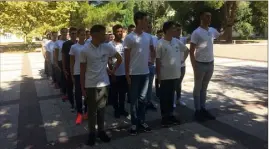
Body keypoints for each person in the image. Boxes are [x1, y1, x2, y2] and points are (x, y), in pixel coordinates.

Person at [80, 25, 122, 146]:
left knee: (102, 110)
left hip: (104, 84)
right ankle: (92, 134)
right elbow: (82, 71)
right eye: (103, 33)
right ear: (94, 34)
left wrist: (112, 70)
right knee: (92, 111)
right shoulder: (85, 50)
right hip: (91, 85)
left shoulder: (107, 47)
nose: (106, 36)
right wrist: (82, 87)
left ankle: (101, 132)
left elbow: (119, 58)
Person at [124, 11, 155, 135]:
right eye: (145, 20)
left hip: (145, 73)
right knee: (134, 100)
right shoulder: (129, 37)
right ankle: (134, 124)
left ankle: (142, 121)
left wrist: (151, 61)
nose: (147, 23)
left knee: (143, 99)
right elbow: (126, 57)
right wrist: (127, 74)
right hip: (133, 73)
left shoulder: (149, 37)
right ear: (138, 20)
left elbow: (153, 51)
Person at [190, 10, 222, 121]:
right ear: (201, 17)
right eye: (207, 16)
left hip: (210, 63)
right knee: (198, 88)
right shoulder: (196, 32)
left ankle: (203, 108)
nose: (209, 18)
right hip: (200, 64)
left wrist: (229, 25)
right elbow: (191, 50)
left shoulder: (212, 30)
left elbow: (221, 36)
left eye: (210, 16)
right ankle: (197, 111)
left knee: (204, 88)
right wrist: (194, 65)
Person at [156, 21, 189, 127]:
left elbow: (186, 50)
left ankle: (170, 116)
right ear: (167, 30)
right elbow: (157, 61)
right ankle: (164, 118)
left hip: (176, 74)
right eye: (173, 28)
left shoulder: (176, 41)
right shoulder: (160, 43)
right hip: (165, 76)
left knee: (171, 97)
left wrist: (181, 61)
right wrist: (159, 75)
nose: (176, 30)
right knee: (164, 98)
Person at [109, 24, 129, 118]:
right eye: (118, 31)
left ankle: (122, 109)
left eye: (121, 31)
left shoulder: (125, 43)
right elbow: (108, 60)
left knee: (122, 93)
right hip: (114, 73)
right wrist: (111, 72)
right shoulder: (110, 45)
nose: (120, 33)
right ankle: (116, 110)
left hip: (124, 73)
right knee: (114, 93)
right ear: (114, 33)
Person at [69, 28, 87, 124]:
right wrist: (72, 74)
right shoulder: (74, 47)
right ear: (78, 36)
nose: (83, 37)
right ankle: (79, 113)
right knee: (78, 94)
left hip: (87, 73)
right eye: (81, 35)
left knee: (87, 92)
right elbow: (71, 62)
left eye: (84, 35)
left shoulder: (89, 46)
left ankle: (87, 111)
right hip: (77, 73)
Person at [173, 23, 190, 106]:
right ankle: (172, 100)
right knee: (174, 83)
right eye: (177, 30)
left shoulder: (182, 39)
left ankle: (178, 99)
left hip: (182, 66)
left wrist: (183, 60)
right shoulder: (171, 40)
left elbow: (187, 50)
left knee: (179, 83)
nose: (179, 32)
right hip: (173, 66)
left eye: (180, 30)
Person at [62, 27, 77, 112]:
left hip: (78, 69)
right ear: (70, 34)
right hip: (68, 68)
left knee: (78, 88)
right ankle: (72, 104)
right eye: (72, 33)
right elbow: (63, 57)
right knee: (70, 87)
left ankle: (80, 104)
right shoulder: (66, 44)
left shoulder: (80, 43)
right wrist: (64, 69)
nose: (74, 35)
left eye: (75, 33)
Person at [145, 21, 157, 111]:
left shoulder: (154, 38)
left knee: (149, 86)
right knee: (143, 86)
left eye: (150, 27)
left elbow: (154, 50)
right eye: (148, 27)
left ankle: (148, 102)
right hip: (143, 66)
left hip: (151, 65)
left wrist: (152, 61)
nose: (150, 28)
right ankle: (143, 103)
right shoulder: (142, 37)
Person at [54, 28, 68, 101]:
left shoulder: (69, 42)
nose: (65, 33)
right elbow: (55, 54)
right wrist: (56, 63)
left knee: (68, 78)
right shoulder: (57, 42)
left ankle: (68, 92)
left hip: (68, 62)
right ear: (61, 33)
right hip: (60, 61)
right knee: (63, 77)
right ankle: (64, 93)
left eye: (66, 32)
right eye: (63, 32)